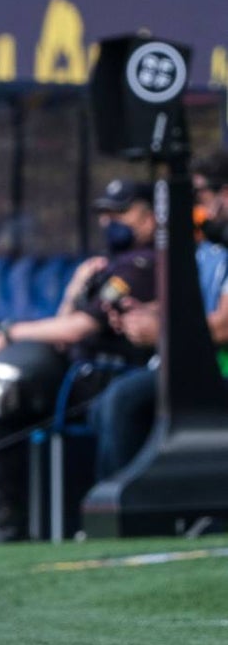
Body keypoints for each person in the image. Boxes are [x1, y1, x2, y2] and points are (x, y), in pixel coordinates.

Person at [0, 178, 159, 544]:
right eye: (105, 213)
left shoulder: (144, 262)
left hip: (108, 372)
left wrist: (11, 332)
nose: (110, 220)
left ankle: (10, 523)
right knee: (0, 388)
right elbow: (67, 315)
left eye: (121, 211)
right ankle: (4, 516)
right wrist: (75, 286)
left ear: (150, 217)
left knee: (5, 380)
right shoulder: (109, 264)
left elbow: (76, 329)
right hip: (78, 370)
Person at [90, 160, 228, 481]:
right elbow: (193, 310)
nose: (195, 206)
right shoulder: (207, 252)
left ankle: (126, 515)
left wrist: (162, 330)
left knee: (123, 399)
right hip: (196, 369)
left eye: (199, 194)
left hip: (217, 374)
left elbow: (222, 326)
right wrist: (144, 312)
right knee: (105, 406)